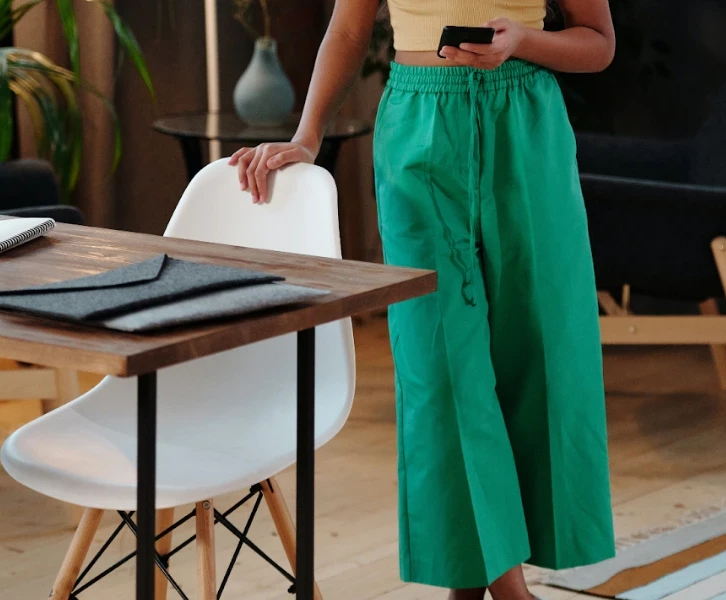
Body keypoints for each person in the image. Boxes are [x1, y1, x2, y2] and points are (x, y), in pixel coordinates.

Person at [230, 2, 616, 599]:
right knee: (439, 364)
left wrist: (525, 41)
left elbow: (598, 43)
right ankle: (512, 591)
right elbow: (351, 27)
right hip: (419, 126)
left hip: (527, 122)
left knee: (540, 350)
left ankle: (470, 580)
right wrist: (307, 137)